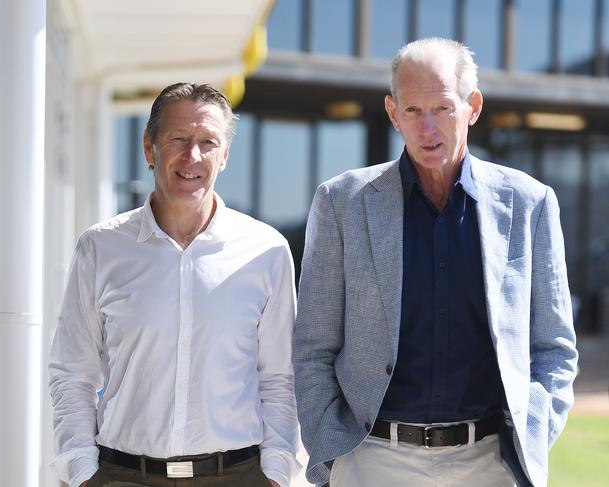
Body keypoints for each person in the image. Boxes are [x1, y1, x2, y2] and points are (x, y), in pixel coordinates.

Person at [293, 38, 578, 487]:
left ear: (473, 107)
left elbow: (554, 348)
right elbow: (312, 346)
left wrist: (534, 434)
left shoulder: (530, 204)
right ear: (392, 112)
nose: (427, 128)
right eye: (412, 111)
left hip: (490, 463)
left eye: (443, 108)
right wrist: (332, 451)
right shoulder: (341, 202)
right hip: (373, 460)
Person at [49, 83, 300, 487]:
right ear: (150, 149)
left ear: (225, 156)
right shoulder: (101, 248)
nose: (193, 156)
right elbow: (72, 373)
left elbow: (279, 378)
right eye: (178, 139)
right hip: (121, 475)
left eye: (207, 142)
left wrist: (275, 473)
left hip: (237, 476)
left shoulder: (266, 251)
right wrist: (81, 472)